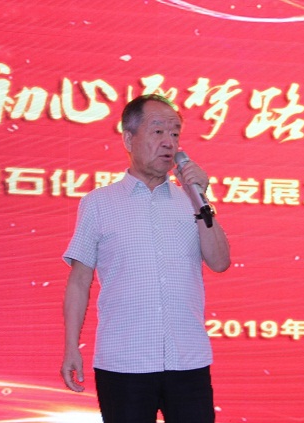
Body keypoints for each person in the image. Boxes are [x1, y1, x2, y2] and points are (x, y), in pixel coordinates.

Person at [60, 94, 230, 422]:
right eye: (158, 131)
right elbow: (79, 282)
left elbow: (220, 262)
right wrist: (70, 347)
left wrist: (202, 198)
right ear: (129, 139)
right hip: (124, 363)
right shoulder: (98, 203)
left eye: (175, 133)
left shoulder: (192, 202)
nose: (169, 142)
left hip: (188, 361)